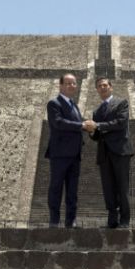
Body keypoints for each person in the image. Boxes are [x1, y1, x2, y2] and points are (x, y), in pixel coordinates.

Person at [85, 77, 135, 228]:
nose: (103, 88)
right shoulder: (97, 111)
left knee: (122, 186)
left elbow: (120, 123)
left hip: (120, 151)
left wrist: (97, 125)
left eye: (105, 85)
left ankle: (125, 220)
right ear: (97, 90)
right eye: (99, 86)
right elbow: (98, 136)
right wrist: (91, 132)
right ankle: (112, 218)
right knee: (108, 187)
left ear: (111, 87)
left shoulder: (121, 103)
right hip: (105, 153)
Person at [45, 73, 92, 228]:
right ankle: (54, 220)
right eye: (68, 83)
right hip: (59, 153)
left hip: (74, 154)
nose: (72, 86)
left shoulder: (74, 105)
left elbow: (77, 123)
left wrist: (89, 124)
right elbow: (59, 122)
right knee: (56, 187)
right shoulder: (54, 103)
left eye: (74, 83)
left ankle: (70, 220)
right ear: (60, 85)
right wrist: (81, 125)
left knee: (72, 190)